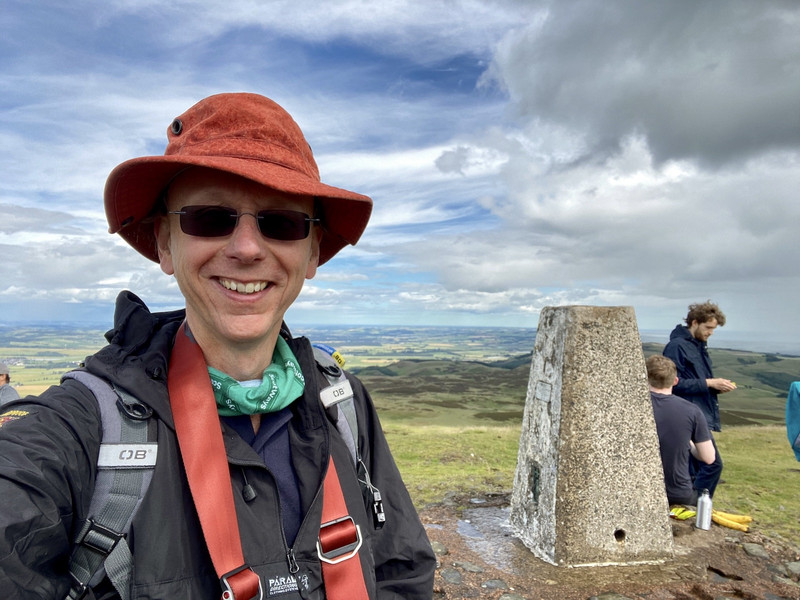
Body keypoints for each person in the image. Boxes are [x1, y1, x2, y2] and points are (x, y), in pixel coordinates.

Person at [0, 93, 435, 599]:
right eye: (210, 218)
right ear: (165, 242)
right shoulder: (85, 426)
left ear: (313, 251)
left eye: (282, 222)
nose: (247, 248)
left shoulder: (344, 403)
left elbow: (401, 570)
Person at [662, 301, 735, 498]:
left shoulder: (699, 346)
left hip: (697, 413)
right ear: (695, 322)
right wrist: (709, 384)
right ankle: (694, 506)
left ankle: (692, 508)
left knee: (698, 467)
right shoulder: (676, 347)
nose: (711, 332)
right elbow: (672, 384)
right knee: (711, 464)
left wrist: (716, 387)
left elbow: (697, 381)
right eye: (708, 327)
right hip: (685, 415)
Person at [646, 355, 715, 506]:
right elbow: (709, 457)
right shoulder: (692, 411)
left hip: (640, 490)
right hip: (677, 494)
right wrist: (688, 442)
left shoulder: (631, 407)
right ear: (675, 381)